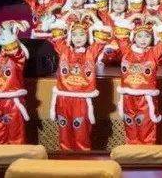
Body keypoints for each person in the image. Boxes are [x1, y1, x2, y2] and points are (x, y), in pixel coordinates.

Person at [42, 15, 111, 151]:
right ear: (70, 36)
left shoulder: (91, 53)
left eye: (82, 34)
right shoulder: (64, 51)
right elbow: (56, 36)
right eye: (74, 35)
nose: (78, 38)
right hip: (63, 98)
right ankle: (66, 159)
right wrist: (65, 18)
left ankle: (83, 159)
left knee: (81, 131)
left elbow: (102, 37)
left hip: (81, 100)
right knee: (64, 130)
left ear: (87, 36)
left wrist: (94, 17)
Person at [110, 17, 162, 145]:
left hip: (146, 99)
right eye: (139, 36)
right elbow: (120, 34)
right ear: (134, 37)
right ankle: (132, 154)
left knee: (146, 127)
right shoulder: (127, 50)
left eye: (147, 36)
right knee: (130, 125)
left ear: (152, 38)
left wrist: (158, 22)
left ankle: (147, 154)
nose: (143, 39)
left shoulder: (153, 53)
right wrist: (132, 17)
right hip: (128, 97)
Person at [0, 20, 30, 144]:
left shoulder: (17, 58)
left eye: (3, 32)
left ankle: (17, 156)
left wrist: (10, 31)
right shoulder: (0, 57)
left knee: (15, 135)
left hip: (12, 101)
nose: (0, 34)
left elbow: (15, 51)